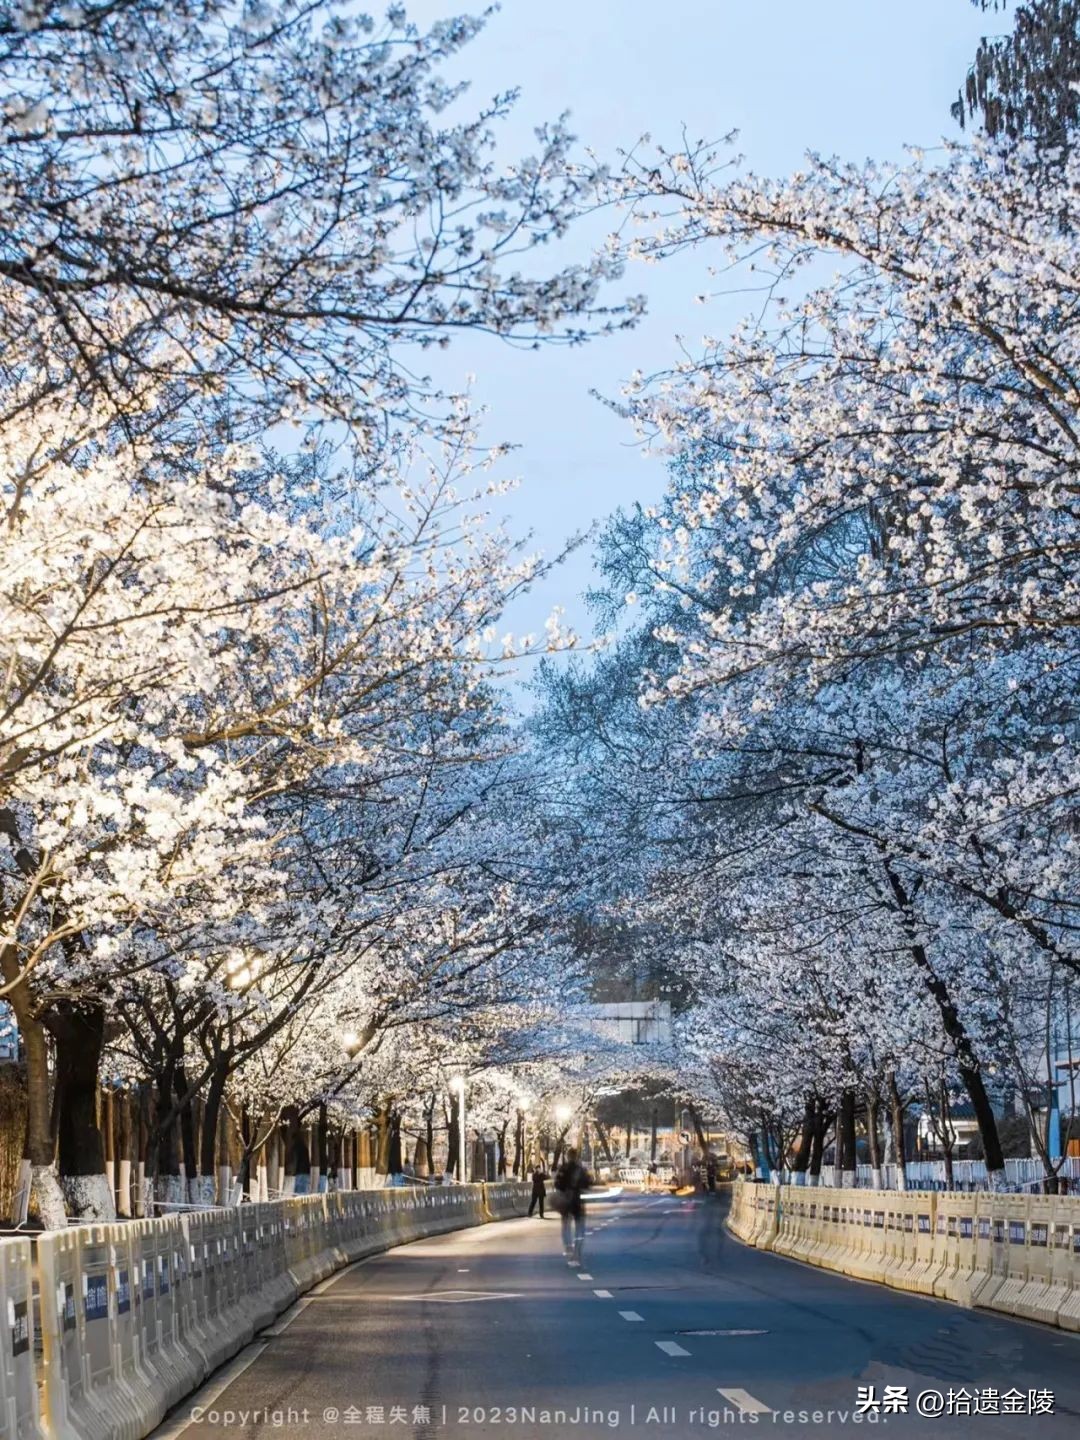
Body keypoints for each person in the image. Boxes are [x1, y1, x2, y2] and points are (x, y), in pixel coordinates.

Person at [553, 1148, 592, 1264]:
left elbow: (557, 1184)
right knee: (580, 1227)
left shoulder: (563, 1168)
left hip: (566, 1201)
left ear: (567, 1156)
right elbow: (588, 1183)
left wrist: (564, 1191)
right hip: (577, 1202)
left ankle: (568, 1247)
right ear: (576, 1156)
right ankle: (577, 1249)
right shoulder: (581, 1170)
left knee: (565, 1226)